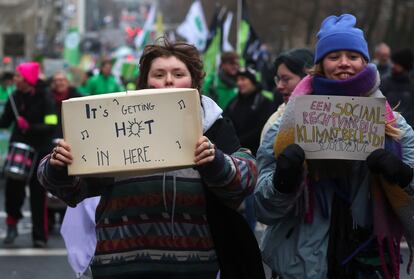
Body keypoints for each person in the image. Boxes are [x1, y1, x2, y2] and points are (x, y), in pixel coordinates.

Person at [38, 39, 265, 279]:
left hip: (192, 268)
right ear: (146, 81)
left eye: (178, 73)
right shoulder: (113, 124)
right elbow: (73, 190)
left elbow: (246, 180)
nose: (169, 80)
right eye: (159, 74)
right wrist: (59, 167)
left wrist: (216, 162)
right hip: (121, 266)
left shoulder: (213, 127)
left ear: (194, 81)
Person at [255, 14, 414, 279]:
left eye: (352, 56)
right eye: (334, 56)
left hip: (366, 259)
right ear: (321, 64)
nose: (344, 64)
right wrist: (283, 181)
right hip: (302, 262)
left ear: (364, 62)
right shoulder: (286, 123)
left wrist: (402, 174)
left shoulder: (393, 126)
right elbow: (263, 207)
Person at [1, 62, 58, 247]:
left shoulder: (45, 97)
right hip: (19, 149)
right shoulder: (14, 97)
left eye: (18, 76)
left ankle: (39, 235)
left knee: (38, 194)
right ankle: (11, 225)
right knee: (12, 192)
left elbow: (52, 124)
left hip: (40, 150)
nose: (15, 79)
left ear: (27, 80)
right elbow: (5, 122)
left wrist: (31, 127)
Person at [260, 48, 314, 142]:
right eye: (278, 79)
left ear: (307, 79)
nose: (279, 86)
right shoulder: (274, 122)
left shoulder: (332, 114)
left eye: (286, 79)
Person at [381, 48, 414, 128]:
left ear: (404, 66)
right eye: (393, 63)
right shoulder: (385, 82)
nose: (393, 66)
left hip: (408, 130)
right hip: (387, 128)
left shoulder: (411, 86)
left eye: (396, 64)